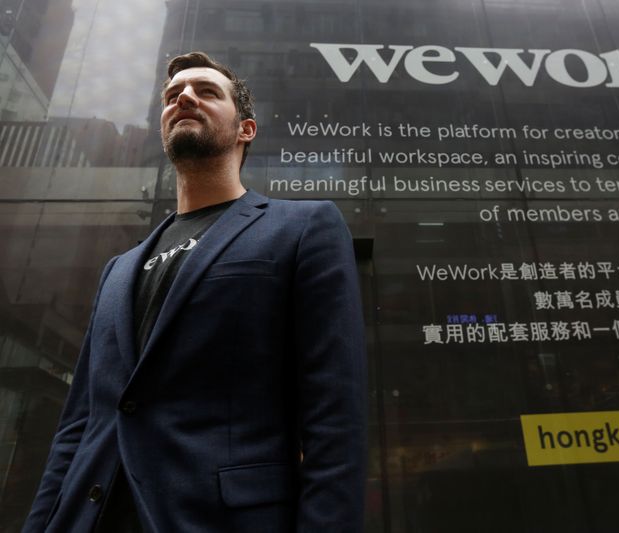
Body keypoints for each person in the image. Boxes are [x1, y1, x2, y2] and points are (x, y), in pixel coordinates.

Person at [23, 51, 366, 532]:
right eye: (172, 96)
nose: (183, 97)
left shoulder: (304, 227)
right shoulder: (118, 270)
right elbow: (78, 425)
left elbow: (335, 416)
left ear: (245, 129)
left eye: (207, 91)